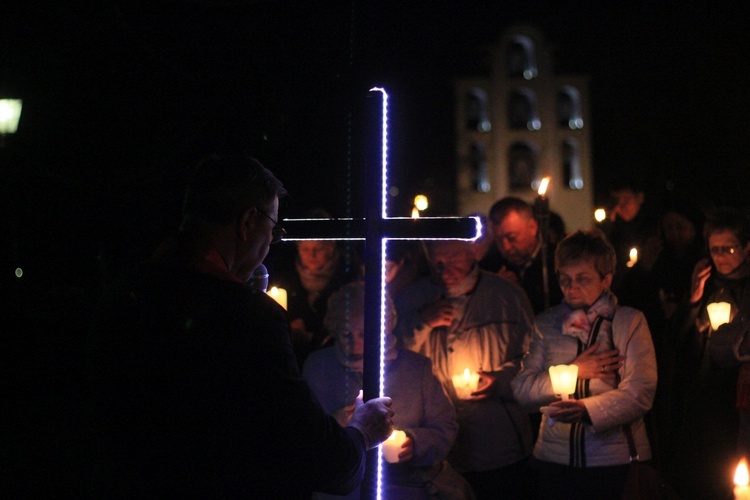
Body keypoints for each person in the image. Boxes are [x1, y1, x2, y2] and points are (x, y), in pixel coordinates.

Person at [86, 154, 394, 498]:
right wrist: (362, 432)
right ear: (248, 221)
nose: (270, 244)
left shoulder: (123, 292)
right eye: (273, 229)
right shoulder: (247, 316)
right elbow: (318, 460)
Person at [511, 229, 657, 499]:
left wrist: (587, 410)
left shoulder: (628, 322)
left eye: (582, 278)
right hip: (553, 460)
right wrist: (573, 371)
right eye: (564, 279)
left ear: (606, 279)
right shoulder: (547, 323)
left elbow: (640, 393)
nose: (571, 287)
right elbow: (521, 391)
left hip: (613, 461)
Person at [304, 282, 473, 499]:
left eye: (364, 334)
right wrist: (334, 425)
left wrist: (415, 443)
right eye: (346, 333)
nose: (354, 344)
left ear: (384, 328)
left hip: (405, 487)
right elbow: (300, 436)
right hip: (343, 491)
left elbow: (446, 426)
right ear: (334, 328)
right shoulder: (318, 367)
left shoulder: (416, 368)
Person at [394, 239, 535, 499]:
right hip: (439, 456)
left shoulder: (506, 296)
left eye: (453, 259)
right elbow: (392, 362)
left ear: (474, 252)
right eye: (436, 261)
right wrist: (420, 323)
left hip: (499, 446)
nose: (443, 269)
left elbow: (535, 360)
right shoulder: (410, 299)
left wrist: (499, 381)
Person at [671, 207, 750, 498]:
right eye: (714, 249)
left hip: (740, 395)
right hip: (707, 397)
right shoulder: (707, 286)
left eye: (728, 248)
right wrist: (692, 299)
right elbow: (679, 343)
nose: (720, 256)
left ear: (746, 248)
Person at [269, 210, 361, 367]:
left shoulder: (350, 277)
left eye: (318, 249)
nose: (311, 255)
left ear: (331, 246)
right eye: (305, 249)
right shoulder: (283, 277)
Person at [479, 196, 562, 314]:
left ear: (533, 227)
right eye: (498, 239)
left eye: (512, 238)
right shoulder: (489, 266)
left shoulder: (557, 261)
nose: (506, 247)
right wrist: (494, 288)